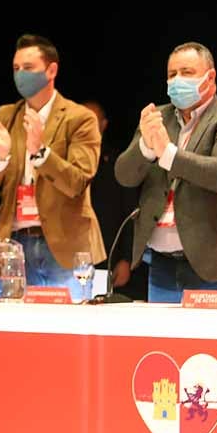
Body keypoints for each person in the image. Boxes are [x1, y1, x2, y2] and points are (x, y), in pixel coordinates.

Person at [114, 42, 217, 303]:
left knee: (213, 344)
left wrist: (168, 154)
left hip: (213, 264)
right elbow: (124, 176)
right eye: (172, 75)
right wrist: (146, 147)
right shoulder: (157, 117)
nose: (177, 80)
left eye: (187, 72)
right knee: (164, 343)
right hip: (161, 265)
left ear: (210, 77)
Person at [0, 34, 104, 301]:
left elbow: (78, 181)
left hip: (65, 245)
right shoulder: (6, 115)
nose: (20, 75)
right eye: (16, 69)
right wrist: (0, 155)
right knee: (15, 333)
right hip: (14, 245)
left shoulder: (79, 118)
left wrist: (41, 153)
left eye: (29, 68)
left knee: (69, 330)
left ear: (51, 69)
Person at [84, 100, 145, 299]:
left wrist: (127, 258)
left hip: (109, 254)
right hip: (71, 256)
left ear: (103, 125)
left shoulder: (118, 164)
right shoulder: (64, 162)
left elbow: (131, 212)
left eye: (92, 121)